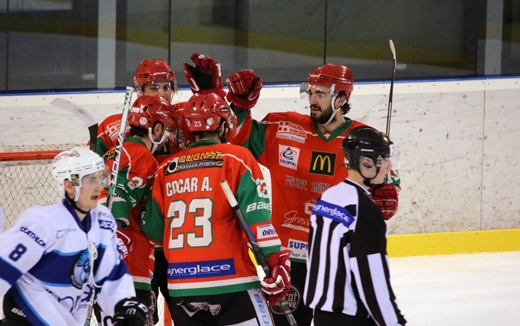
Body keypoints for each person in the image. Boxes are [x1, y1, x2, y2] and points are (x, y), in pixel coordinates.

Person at [224, 64, 401, 325]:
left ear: (341, 99)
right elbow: (236, 136)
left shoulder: (364, 140)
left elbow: (387, 195)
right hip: (288, 261)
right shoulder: (283, 128)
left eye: (322, 93)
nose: (313, 99)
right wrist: (239, 105)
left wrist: (385, 198)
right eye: (311, 92)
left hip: (339, 260)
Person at [140, 92, 291, 326]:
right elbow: (257, 216)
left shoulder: (166, 169)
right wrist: (276, 259)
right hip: (232, 281)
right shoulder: (238, 158)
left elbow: (154, 231)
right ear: (223, 125)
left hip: (182, 288)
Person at [0, 147, 147, 326]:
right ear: (69, 185)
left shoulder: (102, 220)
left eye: (100, 177)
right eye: (90, 179)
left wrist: (123, 304)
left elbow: (111, 272)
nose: (98, 186)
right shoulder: (43, 222)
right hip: (27, 319)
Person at [304, 126, 406, 325]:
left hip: (322, 317)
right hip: (353, 319)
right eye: (384, 159)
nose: (389, 167)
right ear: (366, 162)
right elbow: (372, 279)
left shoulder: (328, 197)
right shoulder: (364, 209)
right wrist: (394, 322)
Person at [98, 95, 176, 325]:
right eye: (167, 129)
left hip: (104, 267)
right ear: (157, 128)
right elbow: (116, 198)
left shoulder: (111, 154)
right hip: (130, 264)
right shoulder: (143, 156)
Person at [95, 58, 178, 158]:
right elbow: (89, 165)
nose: (162, 94)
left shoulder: (182, 118)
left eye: (166, 87)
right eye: (154, 88)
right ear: (140, 90)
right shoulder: (112, 126)